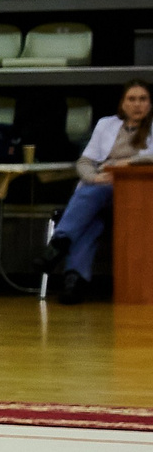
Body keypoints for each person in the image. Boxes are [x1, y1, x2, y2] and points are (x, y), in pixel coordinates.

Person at [48, 80, 153, 303]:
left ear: (150, 104)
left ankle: (61, 246)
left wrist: (126, 164)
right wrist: (94, 176)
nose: (137, 105)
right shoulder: (107, 124)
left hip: (137, 195)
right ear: (122, 104)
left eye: (143, 99)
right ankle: (74, 281)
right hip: (101, 188)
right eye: (131, 99)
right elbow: (85, 161)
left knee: (91, 199)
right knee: (92, 213)